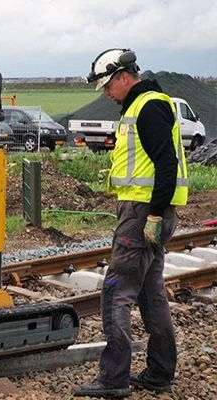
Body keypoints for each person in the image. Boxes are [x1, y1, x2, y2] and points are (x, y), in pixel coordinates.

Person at [74, 49, 188, 398]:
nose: (106, 93)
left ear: (124, 77)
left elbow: (166, 164)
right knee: (151, 293)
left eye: (108, 85)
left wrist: (153, 215)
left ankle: (113, 378)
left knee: (116, 290)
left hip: (143, 214)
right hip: (148, 213)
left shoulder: (149, 107)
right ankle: (159, 371)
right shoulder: (142, 106)